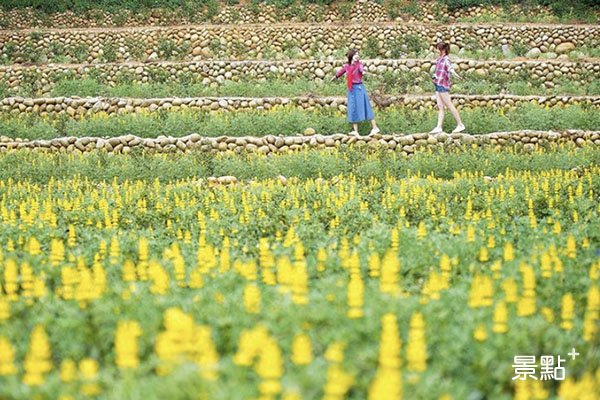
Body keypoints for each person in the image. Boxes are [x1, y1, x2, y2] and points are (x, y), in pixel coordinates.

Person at [332, 49, 380, 136]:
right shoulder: (348, 66)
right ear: (351, 56)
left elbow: (361, 70)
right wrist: (335, 76)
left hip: (359, 88)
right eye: (355, 54)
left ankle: (375, 127)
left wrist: (364, 72)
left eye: (358, 54)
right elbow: (341, 72)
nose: (357, 56)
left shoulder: (359, 65)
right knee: (353, 108)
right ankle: (355, 131)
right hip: (352, 89)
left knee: (366, 106)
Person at [430, 42, 465, 134]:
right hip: (437, 84)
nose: (437, 51)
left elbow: (450, 68)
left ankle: (460, 124)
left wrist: (456, 75)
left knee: (449, 105)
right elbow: (438, 71)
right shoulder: (438, 59)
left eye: (439, 49)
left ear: (444, 50)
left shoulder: (446, 59)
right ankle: (438, 127)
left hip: (442, 85)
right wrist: (434, 76)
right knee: (440, 106)